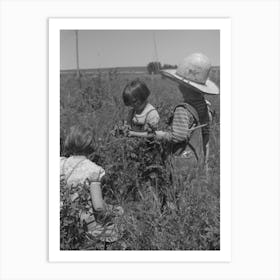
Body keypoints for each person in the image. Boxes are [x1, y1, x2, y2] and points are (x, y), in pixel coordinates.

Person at [129, 53, 219, 177]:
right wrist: (206, 164)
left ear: (185, 86)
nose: (178, 86)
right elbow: (206, 137)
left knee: (178, 193)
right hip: (198, 157)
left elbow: (177, 137)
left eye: (180, 83)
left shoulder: (182, 110)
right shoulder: (205, 106)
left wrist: (158, 134)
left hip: (182, 163)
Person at [60, 125, 123, 243]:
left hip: (61, 219)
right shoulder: (93, 170)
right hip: (82, 224)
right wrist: (112, 211)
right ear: (91, 145)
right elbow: (98, 207)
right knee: (119, 221)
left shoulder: (60, 162)